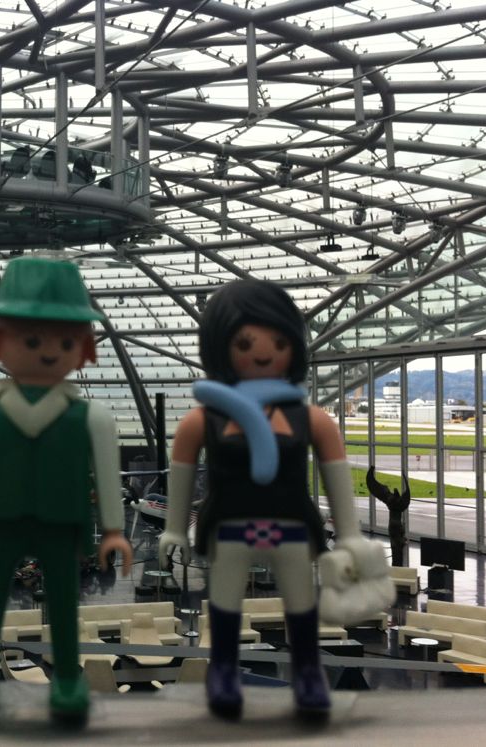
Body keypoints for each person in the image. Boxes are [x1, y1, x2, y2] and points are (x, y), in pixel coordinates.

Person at [158, 279, 393, 720]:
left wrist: (350, 536)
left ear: (294, 348)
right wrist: (173, 528)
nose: (264, 353)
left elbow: (336, 478)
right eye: (245, 343)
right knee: (224, 603)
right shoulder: (203, 420)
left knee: (300, 604)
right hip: (231, 526)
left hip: (289, 526)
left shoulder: (312, 419)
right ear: (219, 347)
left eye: (279, 342)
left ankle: (308, 673)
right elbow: (182, 474)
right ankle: (223, 672)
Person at [0, 257, 133, 725]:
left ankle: (67, 678)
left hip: (59, 524)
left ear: (83, 347)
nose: (48, 352)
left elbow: (107, 474)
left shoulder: (91, 417)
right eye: (32, 340)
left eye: (65, 342)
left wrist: (114, 530)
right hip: (4, 520)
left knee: (64, 604)